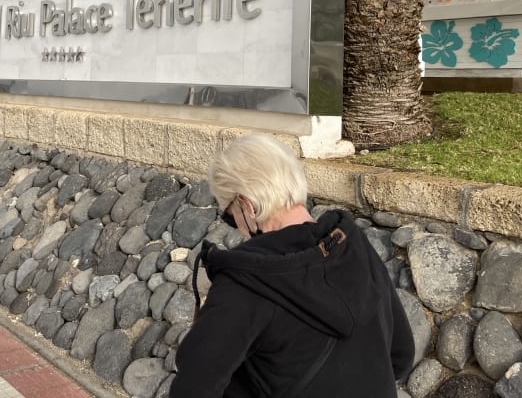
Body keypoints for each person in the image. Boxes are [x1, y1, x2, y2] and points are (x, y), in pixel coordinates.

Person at [170, 133, 415, 398]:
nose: (237, 229)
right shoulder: (354, 246)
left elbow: (192, 388)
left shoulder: (246, 282)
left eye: (230, 217)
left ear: (246, 205)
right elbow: (401, 355)